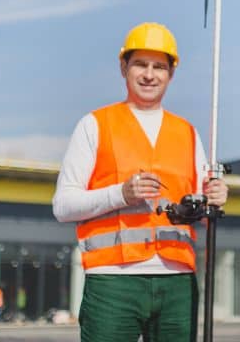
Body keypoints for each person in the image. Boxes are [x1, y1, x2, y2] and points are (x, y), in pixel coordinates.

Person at [53, 22, 228, 342]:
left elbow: (199, 208)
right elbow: (63, 205)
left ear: (171, 73)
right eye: (141, 64)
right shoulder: (95, 125)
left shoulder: (187, 133)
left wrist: (212, 198)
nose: (150, 74)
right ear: (124, 67)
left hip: (178, 281)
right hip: (113, 283)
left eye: (159, 66)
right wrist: (121, 193)